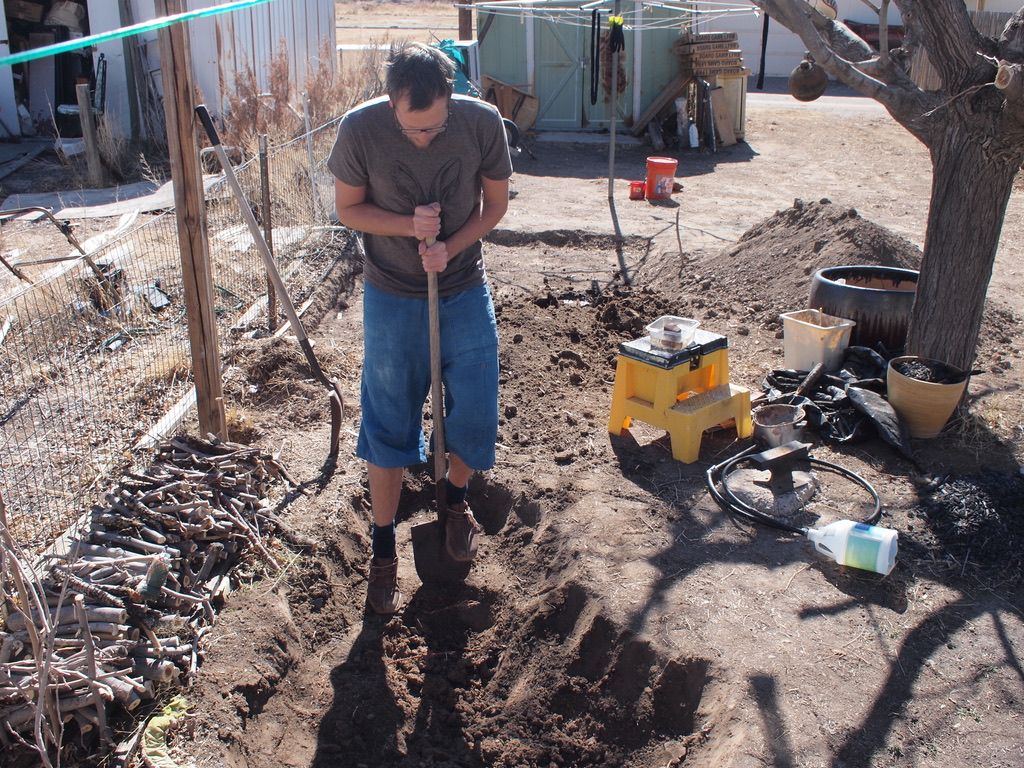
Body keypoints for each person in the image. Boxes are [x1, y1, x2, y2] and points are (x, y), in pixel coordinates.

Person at [328, 42, 512, 614]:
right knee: (388, 421)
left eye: (435, 129)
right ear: (390, 101)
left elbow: (496, 204)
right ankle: (383, 555)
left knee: (478, 409)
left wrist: (450, 245)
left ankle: (454, 499)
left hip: (462, 287)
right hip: (391, 295)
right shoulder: (360, 130)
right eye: (414, 129)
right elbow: (349, 209)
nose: (425, 138)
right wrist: (410, 227)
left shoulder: (482, 123)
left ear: (452, 100)